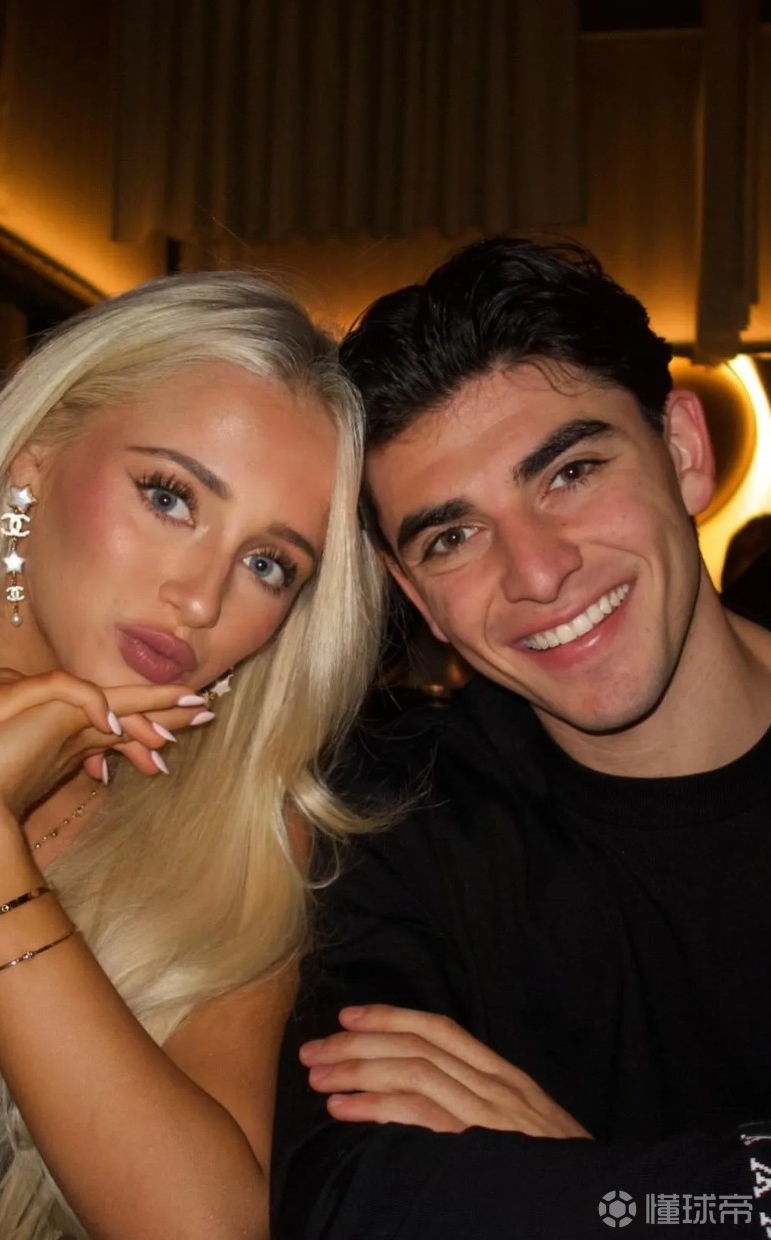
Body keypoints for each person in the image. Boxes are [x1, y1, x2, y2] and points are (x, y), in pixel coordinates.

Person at [0, 270, 384, 1239]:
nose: (201, 598)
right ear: (35, 461)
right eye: (170, 497)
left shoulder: (232, 845)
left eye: (269, 563)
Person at [271, 237, 771, 1238]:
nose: (537, 573)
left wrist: (594, 1190)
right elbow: (348, 1200)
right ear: (414, 592)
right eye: (451, 537)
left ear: (681, 450)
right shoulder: (391, 827)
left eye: (570, 472)